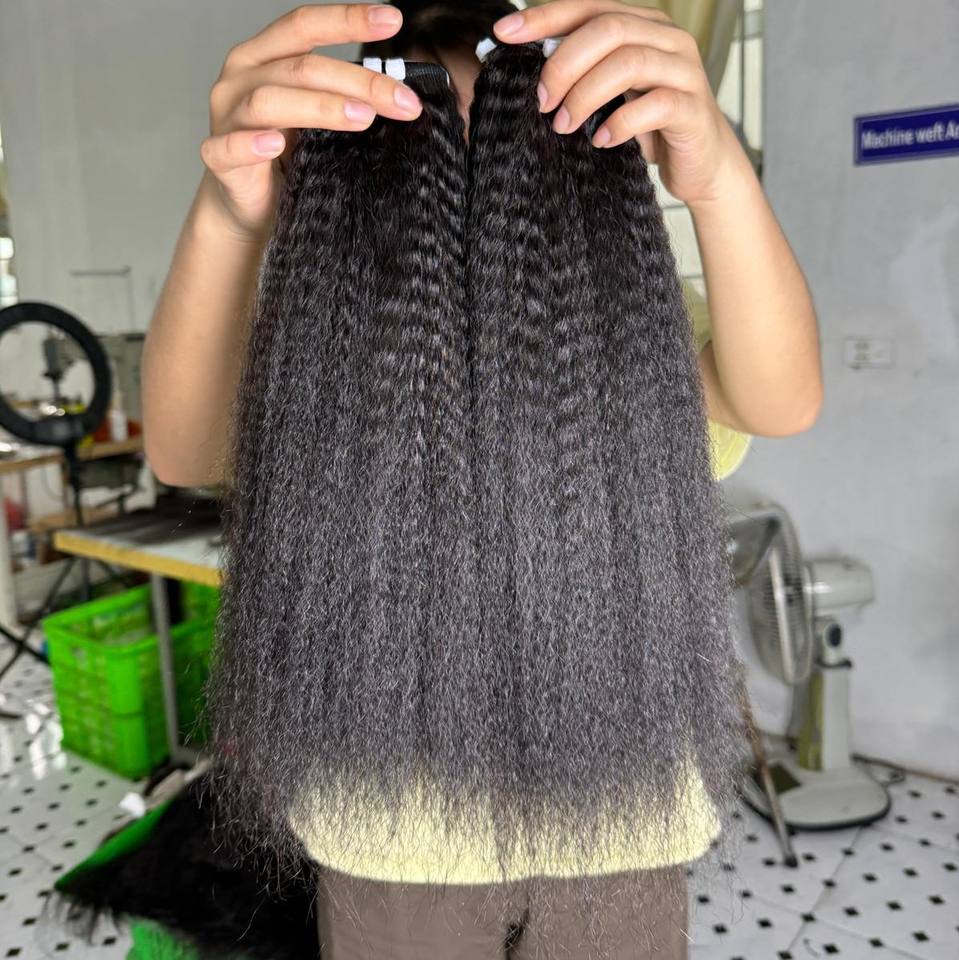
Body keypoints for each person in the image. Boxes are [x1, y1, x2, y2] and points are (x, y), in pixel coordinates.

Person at [143, 2, 822, 956]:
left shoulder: (628, 330)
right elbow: (184, 451)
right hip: (388, 833)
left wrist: (718, 180)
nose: (463, 187)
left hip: (619, 823)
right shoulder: (327, 347)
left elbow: (781, 399)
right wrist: (227, 215)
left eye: (510, 147)